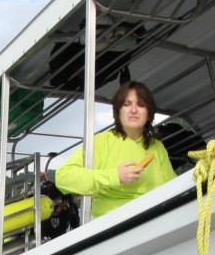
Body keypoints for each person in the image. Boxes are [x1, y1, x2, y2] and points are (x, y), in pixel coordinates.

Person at [53, 81, 176, 222]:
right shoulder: (101, 142)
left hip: (157, 219)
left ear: (149, 114)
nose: (134, 110)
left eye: (141, 105)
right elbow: (63, 177)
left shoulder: (157, 147)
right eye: (127, 104)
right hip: (112, 225)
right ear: (118, 111)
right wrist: (115, 176)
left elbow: (172, 185)